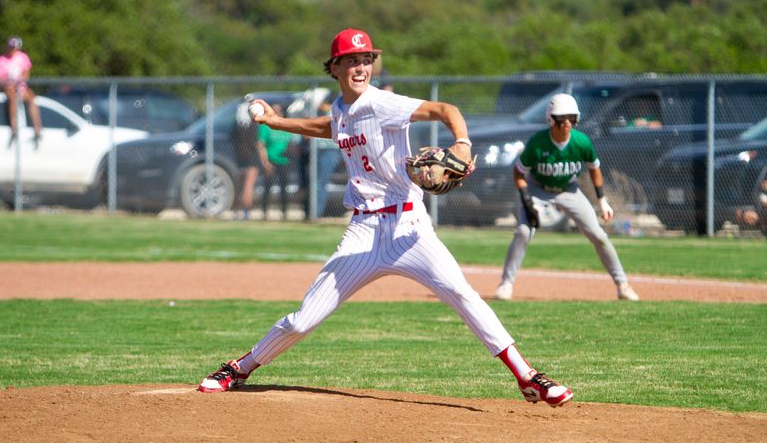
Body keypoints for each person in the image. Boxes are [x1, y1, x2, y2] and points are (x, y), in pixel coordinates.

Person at [198, 28, 573, 408]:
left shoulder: (383, 103)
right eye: (351, 60)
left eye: (366, 59)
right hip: (362, 232)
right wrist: (277, 123)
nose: (361, 67)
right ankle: (239, 368)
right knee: (302, 320)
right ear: (335, 67)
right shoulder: (342, 110)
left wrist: (462, 142)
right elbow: (329, 127)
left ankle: (528, 378)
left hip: (409, 228)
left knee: (461, 293)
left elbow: (447, 111)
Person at [494, 93, 640, 302]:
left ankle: (623, 285)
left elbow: (594, 169)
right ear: (550, 120)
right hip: (537, 189)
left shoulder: (581, 142)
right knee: (523, 232)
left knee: (598, 235)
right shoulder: (538, 143)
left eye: (571, 118)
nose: (567, 124)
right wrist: (526, 200)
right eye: (561, 119)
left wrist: (602, 201)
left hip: (568, 190)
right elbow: (518, 172)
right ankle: (506, 283)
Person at [0, 36, 42, 143]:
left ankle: (37, 129)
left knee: (32, 98)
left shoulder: (22, 57)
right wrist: (9, 84)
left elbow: (26, 73)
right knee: (13, 98)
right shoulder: (1, 60)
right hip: (8, 86)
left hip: (20, 85)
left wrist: (19, 83)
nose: (12, 50)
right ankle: (13, 127)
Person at [257, 103, 297, 220]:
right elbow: (261, 144)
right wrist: (265, 162)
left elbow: (292, 143)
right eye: (274, 111)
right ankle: (264, 213)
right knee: (267, 187)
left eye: (278, 111)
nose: (276, 113)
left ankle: (284, 213)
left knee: (284, 188)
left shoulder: (285, 125)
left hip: (284, 161)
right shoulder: (265, 126)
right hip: (271, 161)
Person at [232, 101, 262, 219]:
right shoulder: (253, 124)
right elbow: (256, 141)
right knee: (248, 186)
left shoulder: (237, 125)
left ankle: (236, 211)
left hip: (240, 157)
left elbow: (232, 139)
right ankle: (246, 212)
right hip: (252, 158)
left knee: (239, 186)